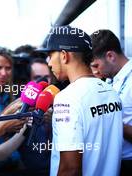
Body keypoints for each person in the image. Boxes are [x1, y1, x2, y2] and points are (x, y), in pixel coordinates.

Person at [39, 25, 123, 176]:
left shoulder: (67, 97)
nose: (49, 63)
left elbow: (70, 169)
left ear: (64, 55)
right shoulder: (112, 92)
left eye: (50, 56)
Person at [90, 29, 132, 175]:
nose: (94, 72)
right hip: (111, 163)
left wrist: (111, 121)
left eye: (95, 65)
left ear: (110, 56)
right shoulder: (107, 79)